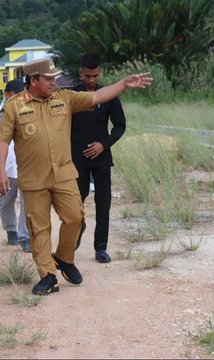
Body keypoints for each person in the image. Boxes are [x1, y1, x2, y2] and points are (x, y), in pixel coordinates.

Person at [0, 57, 151, 295]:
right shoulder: (14, 106)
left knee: (75, 218)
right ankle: (47, 275)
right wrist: (1, 172)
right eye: (48, 79)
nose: (54, 82)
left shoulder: (65, 98)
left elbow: (98, 96)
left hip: (64, 174)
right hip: (34, 179)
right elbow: (1, 140)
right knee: (39, 228)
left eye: (55, 78)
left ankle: (65, 258)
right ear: (33, 80)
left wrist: (124, 83)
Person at [71, 54, 126, 264]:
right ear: (80, 72)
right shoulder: (71, 94)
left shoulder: (108, 95)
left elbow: (120, 126)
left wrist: (104, 144)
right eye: (87, 75)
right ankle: (76, 231)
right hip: (77, 158)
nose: (91, 80)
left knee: (103, 203)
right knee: (76, 201)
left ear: (100, 72)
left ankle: (101, 248)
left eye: (95, 76)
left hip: (102, 158)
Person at [0, 79, 31, 252]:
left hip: (26, 166)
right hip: (7, 167)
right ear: (8, 95)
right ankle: (11, 229)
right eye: (17, 95)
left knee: (27, 202)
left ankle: (24, 236)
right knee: (6, 201)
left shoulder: (28, 111)